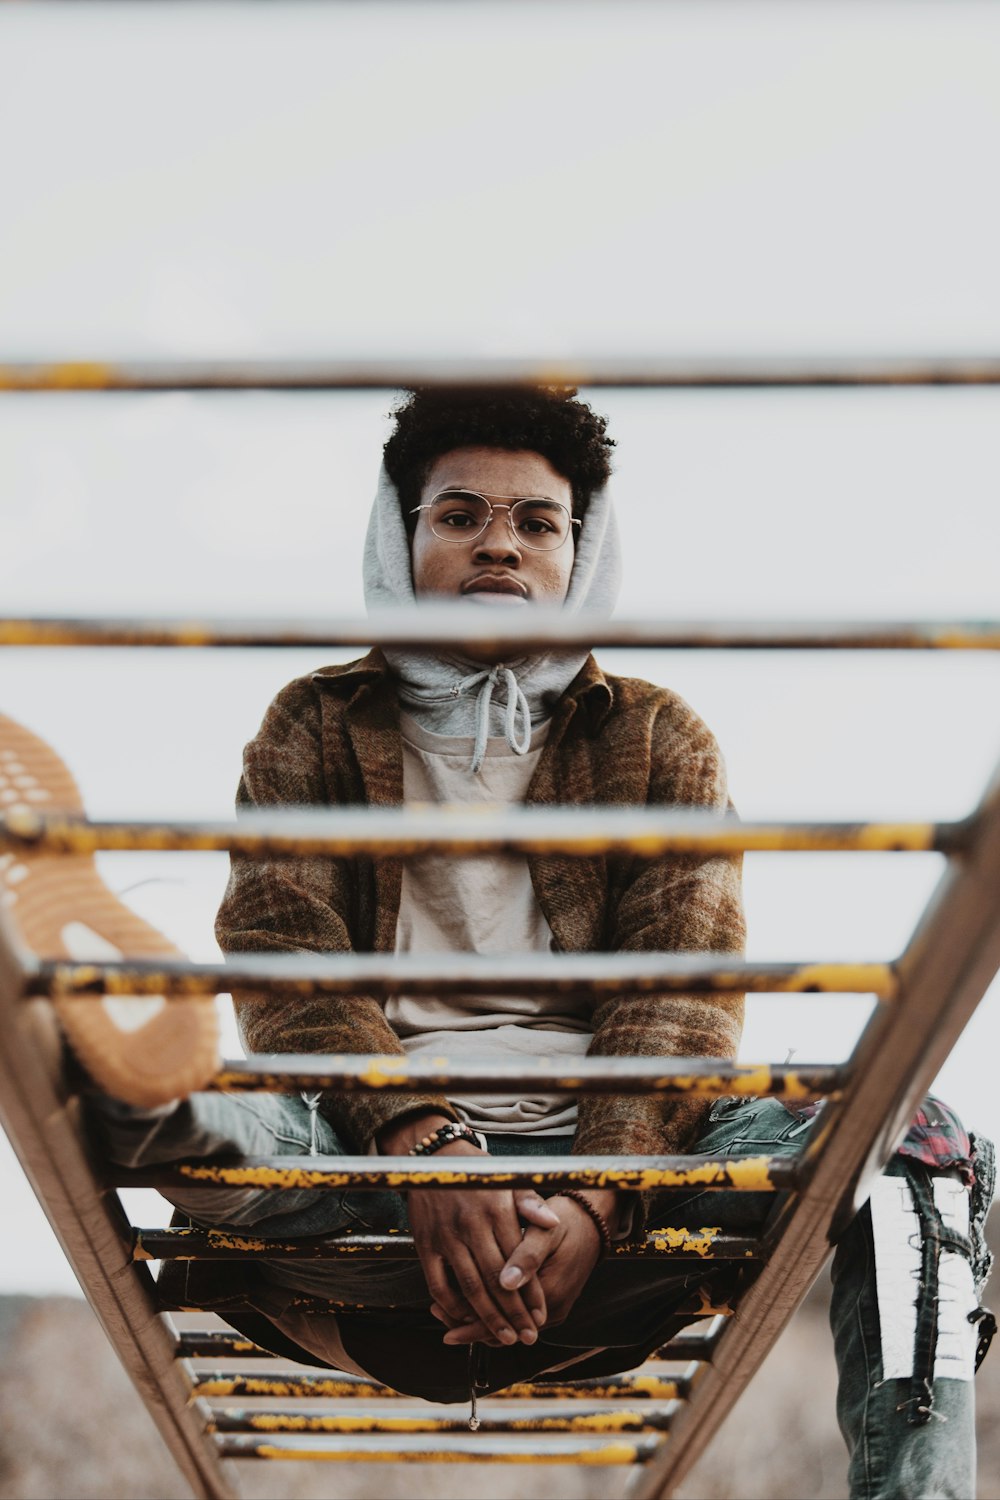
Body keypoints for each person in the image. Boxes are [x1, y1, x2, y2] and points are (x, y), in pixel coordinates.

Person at [2, 387, 993, 1498]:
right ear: (402, 535)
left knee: (916, 1145)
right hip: (356, 1168)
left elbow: (681, 995)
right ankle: (117, 1047)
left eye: (536, 523)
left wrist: (596, 1193)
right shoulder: (316, 721)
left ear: (582, 550)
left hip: (611, 1216)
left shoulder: (656, 737)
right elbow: (288, 962)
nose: (497, 545)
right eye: (459, 515)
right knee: (178, 1111)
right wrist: (424, 1142)